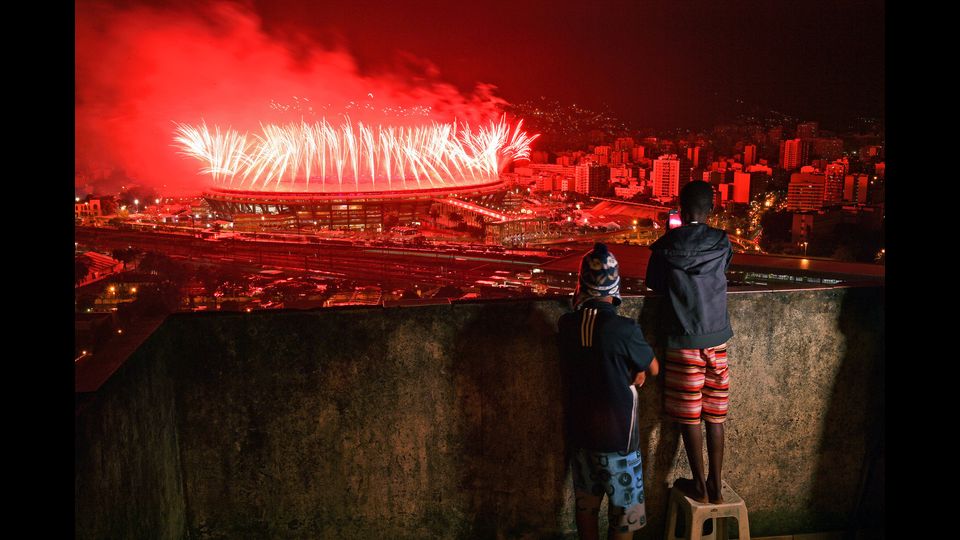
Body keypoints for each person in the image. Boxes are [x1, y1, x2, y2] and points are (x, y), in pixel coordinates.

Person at [558, 242, 660, 540]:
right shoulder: (624, 329)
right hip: (619, 440)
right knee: (623, 517)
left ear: (582, 287)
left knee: (587, 507)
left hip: (580, 436)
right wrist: (637, 369)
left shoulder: (567, 325)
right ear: (615, 288)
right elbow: (652, 368)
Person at [644, 180, 733, 504]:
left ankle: (698, 484)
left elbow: (654, 283)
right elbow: (724, 268)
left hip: (683, 339)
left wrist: (672, 234)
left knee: (689, 414)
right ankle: (717, 484)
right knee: (715, 415)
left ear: (680, 209)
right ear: (711, 209)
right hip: (717, 339)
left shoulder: (666, 245)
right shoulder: (722, 242)